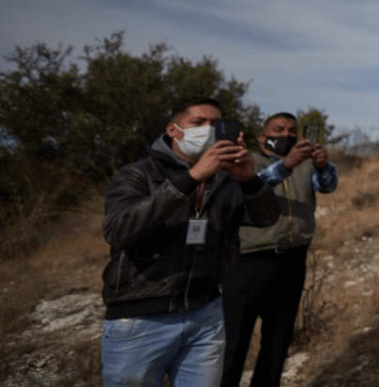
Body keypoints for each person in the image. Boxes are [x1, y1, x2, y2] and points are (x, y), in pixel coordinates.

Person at [101, 97, 280, 387]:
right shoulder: (138, 174)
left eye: (216, 125)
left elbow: (267, 218)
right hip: (141, 317)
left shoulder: (225, 180)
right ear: (173, 130)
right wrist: (191, 178)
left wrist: (249, 181)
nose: (208, 130)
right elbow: (119, 230)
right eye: (198, 123)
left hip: (205, 313)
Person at [220, 112, 339, 387]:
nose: (286, 135)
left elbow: (328, 185)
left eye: (291, 130)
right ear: (262, 137)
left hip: (292, 259)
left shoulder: (304, 164)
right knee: (233, 342)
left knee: (278, 341)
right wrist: (286, 165)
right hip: (249, 262)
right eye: (278, 129)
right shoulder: (245, 162)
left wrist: (322, 165)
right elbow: (250, 186)